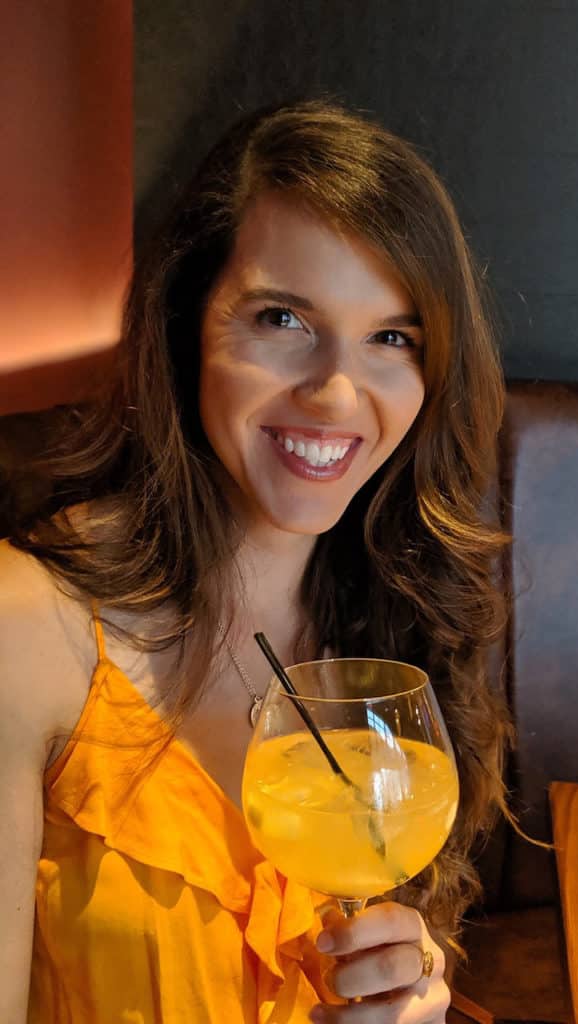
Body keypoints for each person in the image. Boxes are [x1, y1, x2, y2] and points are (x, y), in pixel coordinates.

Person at [0, 100, 513, 1023]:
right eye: (282, 317)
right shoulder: (28, 629)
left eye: (393, 337)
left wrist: (406, 988)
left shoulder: (395, 606)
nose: (337, 392)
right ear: (185, 322)